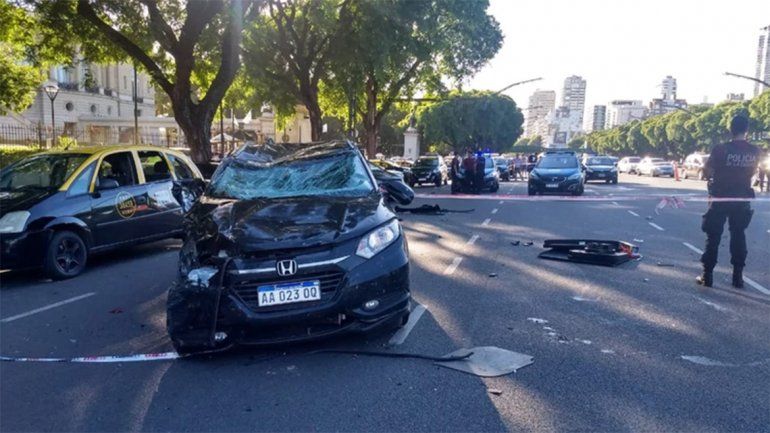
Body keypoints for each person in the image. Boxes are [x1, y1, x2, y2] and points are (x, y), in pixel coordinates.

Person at [697, 115, 760, 288]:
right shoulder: (754, 151)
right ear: (747, 130)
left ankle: (707, 275)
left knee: (713, 235)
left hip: (720, 197)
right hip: (742, 199)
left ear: (730, 129)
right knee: (739, 234)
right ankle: (737, 276)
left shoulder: (721, 149)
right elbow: (753, 172)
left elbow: (708, 171)